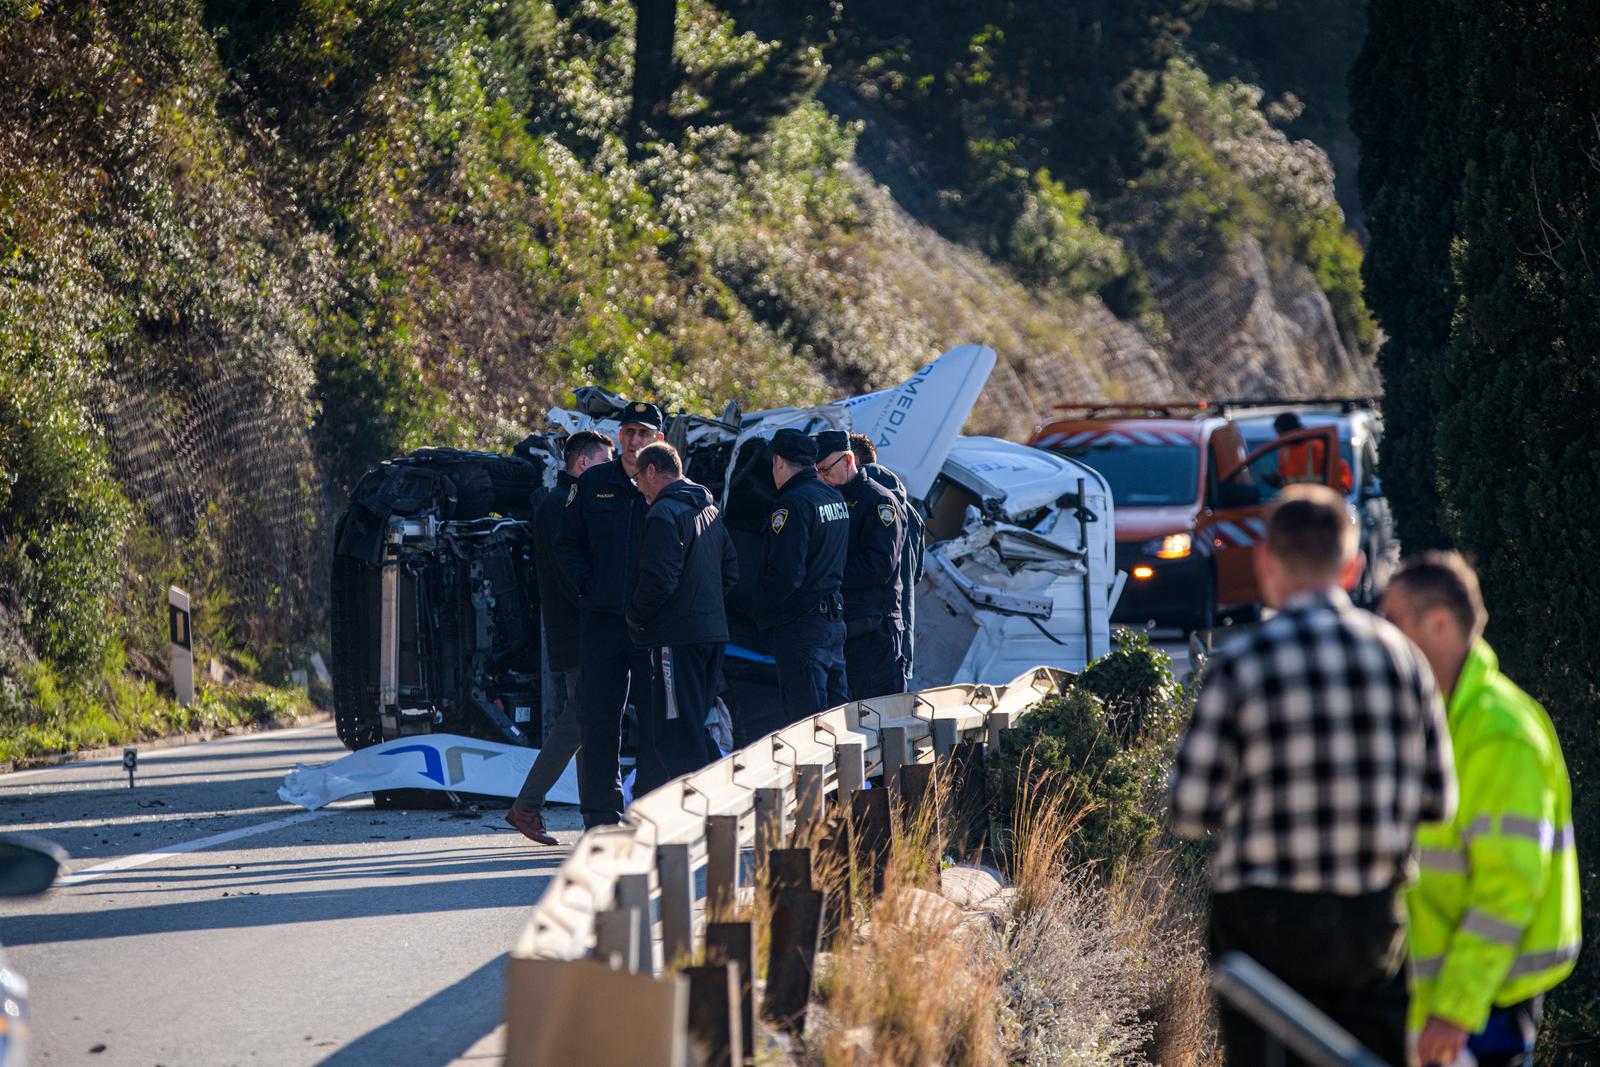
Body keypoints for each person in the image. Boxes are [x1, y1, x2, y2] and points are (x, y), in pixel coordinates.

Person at [1169, 484, 1456, 1067]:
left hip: (1262, 924)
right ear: (1352, 567)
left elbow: (1190, 809)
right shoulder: (1403, 660)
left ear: (1265, 562)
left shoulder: (1241, 663)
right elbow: (1439, 802)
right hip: (1369, 922)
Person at [1380, 553, 1580, 1067]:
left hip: (1480, 1009)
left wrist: (1454, 1011)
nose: (1382, 637)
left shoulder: (1499, 732)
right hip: (1454, 1002)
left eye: (1394, 621)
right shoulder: (1448, 717)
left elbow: (1507, 889)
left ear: (1439, 624)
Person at [554, 401, 664, 827]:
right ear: (619, 436)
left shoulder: (671, 485)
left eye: (643, 433)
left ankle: (651, 811)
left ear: (658, 439)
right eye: (629, 432)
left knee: (655, 721)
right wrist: (587, 588)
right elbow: (566, 545)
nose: (635, 441)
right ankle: (601, 815)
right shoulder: (595, 482)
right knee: (599, 722)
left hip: (652, 625)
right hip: (602, 623)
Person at [506, 429, 614, 844]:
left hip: (582, 627)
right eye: (604, 461)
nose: (610, 469)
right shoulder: (561, 504)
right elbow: (571, 574)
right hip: (579, 630)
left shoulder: (572, 500)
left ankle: (596, 818)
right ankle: (527, 805)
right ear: (583, 463)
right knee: (582, 718)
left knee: (589, 723)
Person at [626, 442, 739, 791]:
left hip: (675, 639)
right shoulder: (709, 509)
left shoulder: (663, 513)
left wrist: (635, 616)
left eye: (638, 479)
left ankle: (702, 810)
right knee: (692, 726)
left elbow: (659, 579)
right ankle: (720, 797)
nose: (639, 489)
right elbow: (730, 571)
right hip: (711, 634)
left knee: (675, 734)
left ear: (651, 471)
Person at [752, 428, 849, 723]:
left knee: (808, 727)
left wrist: (761, 613)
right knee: (839, 722)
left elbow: (787, 575)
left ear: (778, 462)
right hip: (833, 624)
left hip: (803, 629)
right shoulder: (834, 496)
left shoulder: (792, 504)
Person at [814, 429, 905, 699]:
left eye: (826, 469)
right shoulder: (830, 498)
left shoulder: (878, 501)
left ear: (848, 460)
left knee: (878, 710)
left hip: (875, 628)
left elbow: (879, 566)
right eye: (817, 471)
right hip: (846, 625)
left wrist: (826, 572)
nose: (822, 476)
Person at [850, 432, 924, 688]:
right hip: (900, 628)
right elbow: (916, 574)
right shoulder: (910, 511)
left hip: (871, 629)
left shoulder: (861, 502)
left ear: (852, 459)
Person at [1270, 411, 1354, 492]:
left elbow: (1339, 469)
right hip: (1294, 499)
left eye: (1280, 433)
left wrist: (1342, 488)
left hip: (1318, 498)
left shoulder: (1316, 446)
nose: (1280, 437)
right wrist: (1276, 479)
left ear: (1288, 430)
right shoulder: (1284, 449)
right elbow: (1285, 475)